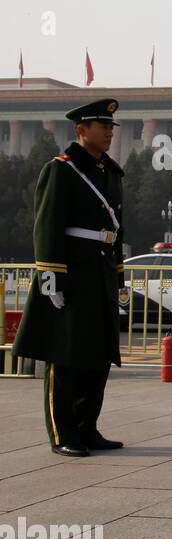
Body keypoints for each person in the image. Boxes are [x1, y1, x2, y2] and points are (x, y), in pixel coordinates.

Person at [13, 98, 127, 457]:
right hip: (72, 274)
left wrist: (118, 277)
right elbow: (47, 227)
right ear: (81, 130)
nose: (109, 132)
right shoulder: (61, 170)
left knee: (97, 352)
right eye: (102, 127)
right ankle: (63, 433)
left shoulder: (109, 172)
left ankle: (87, 427)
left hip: (101, 273)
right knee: (65, 354)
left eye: (111, 127)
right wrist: (51, 282)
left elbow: (115, 229)